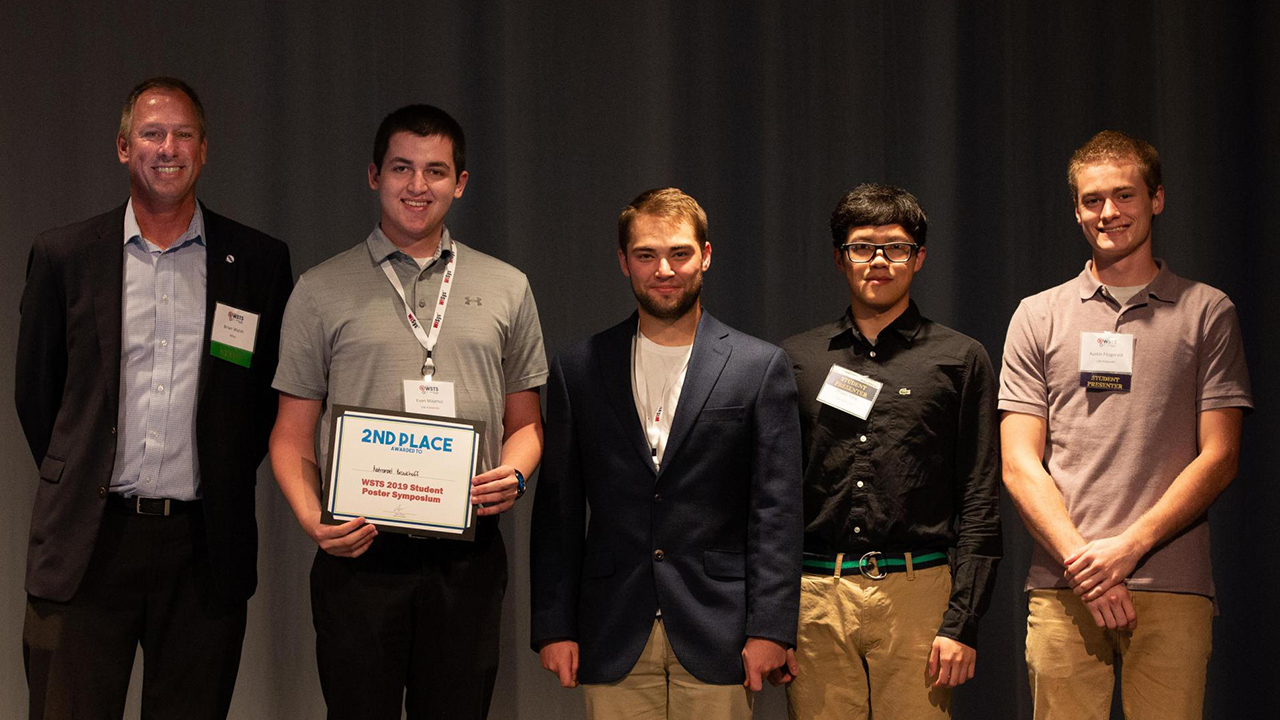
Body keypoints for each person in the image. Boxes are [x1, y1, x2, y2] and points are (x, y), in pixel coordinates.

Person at [14, 76, 293, 719]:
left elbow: (258, 402)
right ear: (122, 147)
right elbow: (39, 396)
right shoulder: (64, 255)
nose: (168, 147)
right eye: (151, 133)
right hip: (88, 542)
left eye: (183, 134)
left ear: (205, 150)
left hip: (204, 547)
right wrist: (80, 474)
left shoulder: (257, 261)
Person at [268, 104, 546, 719]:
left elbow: (526, 423)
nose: (418, 186)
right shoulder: (319, 290)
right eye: (402, 168)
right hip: (359, 556)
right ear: (374, 176)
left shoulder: (508, 287)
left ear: (461, 182)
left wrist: (517, 472)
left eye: (436, 171)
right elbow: (290, 438)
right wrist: (316, 522)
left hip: (466, 558)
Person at [999, 130, 1252, 719]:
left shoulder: (1207, 310)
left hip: (1171, 583)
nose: (1108, 212)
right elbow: (1018, 461)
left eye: (1124, 195)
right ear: (1076, 210)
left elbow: (1221, 456)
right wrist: (1087, 564)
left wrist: (1128, 548)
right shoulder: (1038, 315)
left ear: (1156, 199)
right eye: (1092, 200)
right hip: (1065, 588)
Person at [530, 188, 802, 720]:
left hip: (718, 628)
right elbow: (558, 510)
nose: (664, 269)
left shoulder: (758, 366)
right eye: (646, 255)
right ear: (623, 262)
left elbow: (777, 511)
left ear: (705, 255)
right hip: (612, 628)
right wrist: (554, 626)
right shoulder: (580, 367)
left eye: (679, 253)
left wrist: (770, 627)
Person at [778, 184, 1002, 719]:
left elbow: (980, 494)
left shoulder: (960, 358)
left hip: (918, 594)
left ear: (918, 258)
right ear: (840, 258)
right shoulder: (795, 359)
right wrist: (771, 617)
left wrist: (962, 621)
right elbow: (773, 498)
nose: (878, 261)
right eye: (862, 247)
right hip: (815, 599)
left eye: (896, 247)